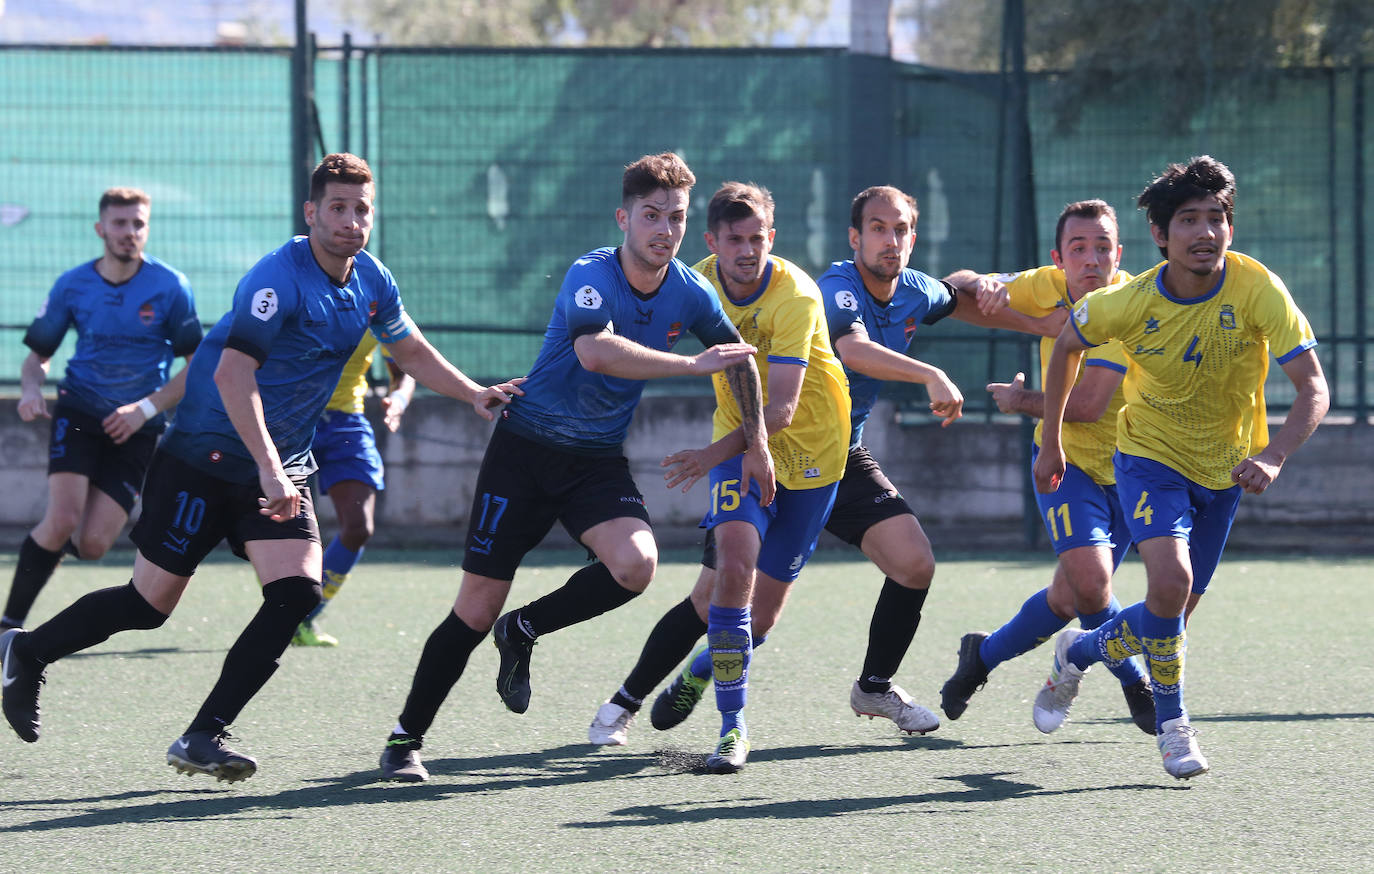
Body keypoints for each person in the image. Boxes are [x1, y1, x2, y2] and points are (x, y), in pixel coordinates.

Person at [0, 153, 520, 783]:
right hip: (202, 458)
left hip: (279, 464)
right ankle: (27, 651)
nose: (351, 221)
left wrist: (471, 393)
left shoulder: (373, 279)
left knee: (297, 591)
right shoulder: (278, 277)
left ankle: (202, 735)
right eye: (337, 207)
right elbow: (231, 373)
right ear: (311, 212)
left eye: (362, 209)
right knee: (148, 604)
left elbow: (405, 346)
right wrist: (272, 468)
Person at [588, 185, 1059, 748]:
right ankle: (628, 701)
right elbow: (851, 346)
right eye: (878, 229)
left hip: (833, 456)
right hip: (756, 443)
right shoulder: (833, 289)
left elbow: (957, 297)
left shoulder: (909, 291)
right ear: (855, 238)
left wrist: (1045, 321)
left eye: (902, 229)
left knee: (911, 565)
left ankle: (871, 687)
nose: (891, 240)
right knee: (713, 593)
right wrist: (929, 372)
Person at [376, 152, 772, 783]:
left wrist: (757, 444)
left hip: (594, 462)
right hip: (524, 453)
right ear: (624, 218)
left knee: (636, 566)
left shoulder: (691, 291)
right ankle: (405, 739)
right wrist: (692, 366)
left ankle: (525, 629)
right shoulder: (591, 274)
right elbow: (594, 352)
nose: (663, 230)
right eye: (650, 216)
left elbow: (742, 359)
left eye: (674, 217)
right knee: (474, 610)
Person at [1032, 156, 1328, 779]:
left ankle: (1079, 653)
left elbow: (1314, 388)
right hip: (1149, 458)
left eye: (1217, 218)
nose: (1206, 232)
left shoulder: (1257, 289)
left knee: (1171, 612)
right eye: (1188, 220)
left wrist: (1274, 455)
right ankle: (1174, 729)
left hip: (1226, 470)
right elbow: (1065, 348)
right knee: (1169, 586)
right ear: (1161, 237)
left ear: (1230, 227)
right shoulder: (1128, 302)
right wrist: (1050, 441)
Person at [588, 181, 850, 773]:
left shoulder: (797, 297)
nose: (747, 250)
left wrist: (707, 457)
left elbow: (780, 410)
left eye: (757, 238)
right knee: (732, 571)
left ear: (772, 239)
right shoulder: (695, 279)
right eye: (735, 239)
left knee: (757, 619)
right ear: (712, 241)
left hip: (812, 458)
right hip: (739, 447)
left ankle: (702, 668)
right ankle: (733, 729)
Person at [939, 200, 1156, 734]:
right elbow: (950, 290)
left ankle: (982, 656)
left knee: (1070, 597)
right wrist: (987, 286)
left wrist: (1020, 402)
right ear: (1058, 259)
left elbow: (1087, 406)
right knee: (1091, 585)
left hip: (1132, 468)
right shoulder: (1046, 284)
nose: (1091, 259)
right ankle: (1138, 683)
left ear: (1119, 254)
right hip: (1068, 464)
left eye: (1103, 247)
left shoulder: (1128, 304)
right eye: (1078, 249)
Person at [1, 188, 200, 633]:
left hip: (139, 426)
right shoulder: (73, 284)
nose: (130, 233)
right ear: (100, 229)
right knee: (62, 519)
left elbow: (197, 368)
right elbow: (37, 358)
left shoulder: (171, 286)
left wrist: (144, 409)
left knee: (92, 545)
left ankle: (44, 554)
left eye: (138, 224)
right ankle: (8, 625)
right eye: (120, 223)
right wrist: (32, 389)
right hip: (80, 411)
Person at [291, 335, 415, 646]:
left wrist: (397, 400)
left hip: (345, 423)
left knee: (358, 527)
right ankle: (282, 612)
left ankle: (303, 617)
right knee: (280, 526)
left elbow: (405, 370)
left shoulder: (376, 300)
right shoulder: (296, 291)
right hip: (290, 416)